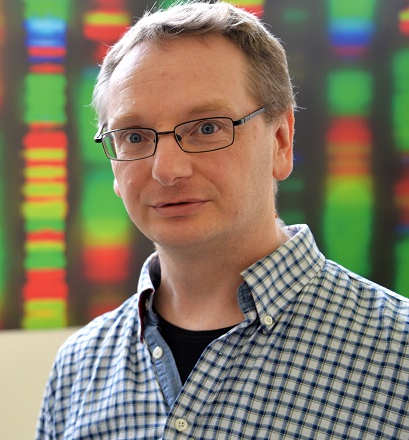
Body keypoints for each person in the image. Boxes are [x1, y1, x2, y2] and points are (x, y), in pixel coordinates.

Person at [37, 2, 409, 439]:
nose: (166, 169)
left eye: (207, 128)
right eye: (135, 136)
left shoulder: (398, 355)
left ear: (281, 141)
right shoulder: (79, 367)